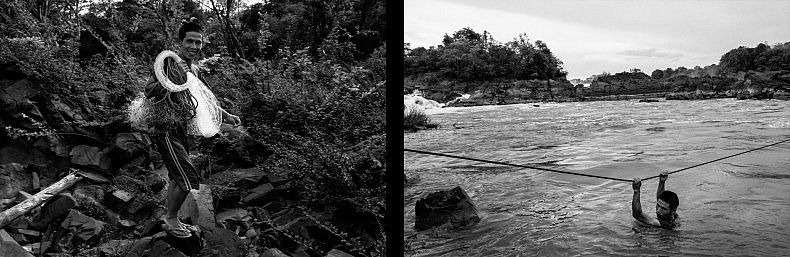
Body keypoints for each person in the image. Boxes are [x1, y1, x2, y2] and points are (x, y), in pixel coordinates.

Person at [144, 22, 241, 238]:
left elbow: (204, 99)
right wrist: (171, 78)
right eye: (190, 41)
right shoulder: (169, 62)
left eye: (198, 42)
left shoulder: (194, 69)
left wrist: (226, 115)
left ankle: (171, 218)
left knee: (175, 177)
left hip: (184, 131)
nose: (195, 46)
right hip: (167, 130)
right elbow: (149, 91)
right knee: (187, 178)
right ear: (180, 42)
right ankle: (170, 218)